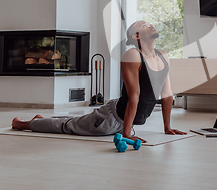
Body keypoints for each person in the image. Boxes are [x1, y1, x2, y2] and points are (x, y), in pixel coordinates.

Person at [11, 20, 186, 143]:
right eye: (144, 25)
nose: (150, 24)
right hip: (112, 119)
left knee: (79, 120)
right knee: (69, 125)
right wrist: (126, 133)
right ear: (136, 36)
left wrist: (167, 127)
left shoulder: (163, 55)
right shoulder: (132, 55)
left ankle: (41, 119)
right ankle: (23, 123)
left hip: (126, 119)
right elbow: (134, 96)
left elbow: (167, 94)